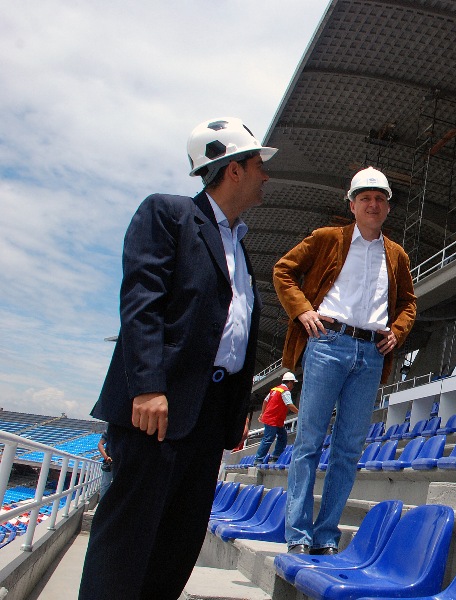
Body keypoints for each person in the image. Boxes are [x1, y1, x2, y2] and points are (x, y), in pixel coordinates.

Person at [78, 117, 276, 600]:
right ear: (233, 169)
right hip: (159, 408)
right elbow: (142, 302)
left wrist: (235, 411)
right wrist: (148, 385)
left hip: (208, 416)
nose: (266, 175)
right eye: (258, 164)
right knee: (127, 541)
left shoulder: (239, 246)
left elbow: (236, 329)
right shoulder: (168, 214)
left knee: (177, 543)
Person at [274, 166, 417, 555]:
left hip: (371, 353)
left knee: (349, 449)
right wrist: (303, 309)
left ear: (388, 207)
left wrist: (397, 331)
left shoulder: (396, 254)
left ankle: (325, 535)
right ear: (352, 205)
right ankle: (298, 534)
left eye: (380, 199)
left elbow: (408, 302)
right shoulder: (327, 238)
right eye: (365, 198)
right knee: (309, 440)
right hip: (327, 343)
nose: (373, 204)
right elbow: (283, 270)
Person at [254, 371, 299, 464]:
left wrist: (262, 413)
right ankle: (258, 459)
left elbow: (265, 401)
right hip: (273, 420)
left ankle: (275, 456)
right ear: (289, 382)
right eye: (293, 383)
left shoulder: (275, 389)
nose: (293, 386)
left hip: (275, 420)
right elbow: (289, 405)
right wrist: (300, 413)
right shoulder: (285, 391)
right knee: (268, 439)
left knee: (282, 437)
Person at [97, 430, 113, 500]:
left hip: (121, 462)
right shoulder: (109, 431)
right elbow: (100, 444)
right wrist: (106, 457)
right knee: (105, 484)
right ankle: (102, 503)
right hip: (110, 462)